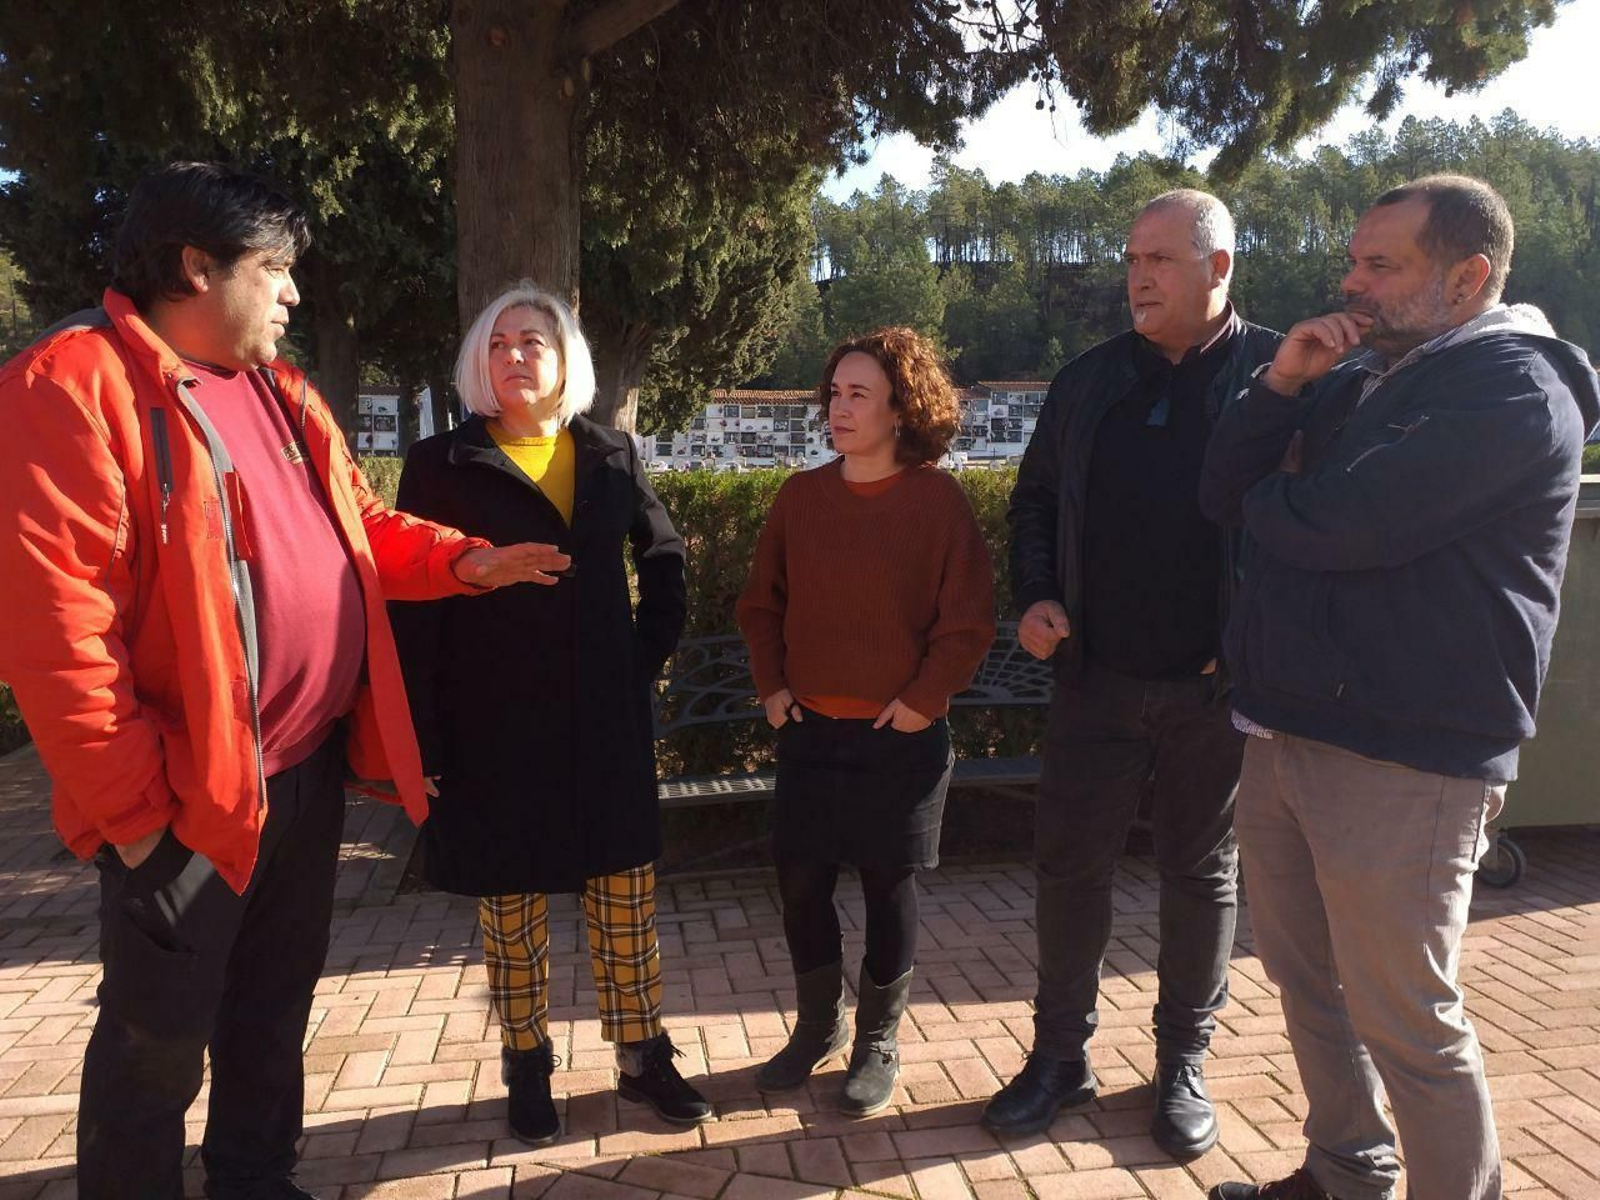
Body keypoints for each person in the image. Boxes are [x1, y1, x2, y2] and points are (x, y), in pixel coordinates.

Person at [0, 163, 570, 1200]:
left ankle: (256, 1181)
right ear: (195, 265)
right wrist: (139, 819)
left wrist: (463, 561)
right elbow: (58, 635)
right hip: (185, 797)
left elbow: (358, 525)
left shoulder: (279, 389)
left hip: (300, 776)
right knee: (155, 1042)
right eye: (275, 269)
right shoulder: (73, 385)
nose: (293, 294)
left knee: (271, 1006)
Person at [1198, 175, 1599, 1200]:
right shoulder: (1354, 378)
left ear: (1467, 277)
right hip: (1286, 726)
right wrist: (1279, 385)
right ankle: (1346, 1171)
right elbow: (1221, 490)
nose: (1352, 283)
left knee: (1407, 1018)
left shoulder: (1514, 389)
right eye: (1354, 261)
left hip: (1409, 753)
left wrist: (1273, 499)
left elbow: (1348, 525)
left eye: (1382, 265)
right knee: (1304, 983)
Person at [990, 190, 1283, 1156]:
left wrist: (1254, 640)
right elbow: (1034, 501)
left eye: (1160, 259)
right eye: (1131, 259)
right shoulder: (1088, 382)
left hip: (1215, 692)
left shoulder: (1278, 378)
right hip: (1096, 680)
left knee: (1201, 875)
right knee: (1069, 870)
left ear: (1219, 266)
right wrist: (1037, 594)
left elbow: (1312, 524)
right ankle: (1059, 1059)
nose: (1138, 277)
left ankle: (1182, 1064)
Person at [387, 282, 709, 1145]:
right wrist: (419, 732)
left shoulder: (611, 453)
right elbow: (409, 602)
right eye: (498, 344)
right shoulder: (441, 463)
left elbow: (665, 557)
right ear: (478, 364)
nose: (515, 355)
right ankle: (526, 1060)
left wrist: (639, 662)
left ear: (566, 360)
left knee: (625, 892)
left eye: (533, 340)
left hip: (603, 722)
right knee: (510, 903)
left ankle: (642, 1054)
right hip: (488, 722)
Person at [736, 326, 995, 1116]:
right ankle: (820, 1026)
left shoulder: (938, 503)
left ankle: (877, 1040)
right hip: (810, 731)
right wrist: (773, 688)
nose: (839, 409)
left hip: (901, 737)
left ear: (901, 409)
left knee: (888, 886)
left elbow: (967, 622)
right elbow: (760, 605)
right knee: (801, 884)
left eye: (859, 395)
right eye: (834, 394)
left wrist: (923, 700)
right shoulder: (800, 498)